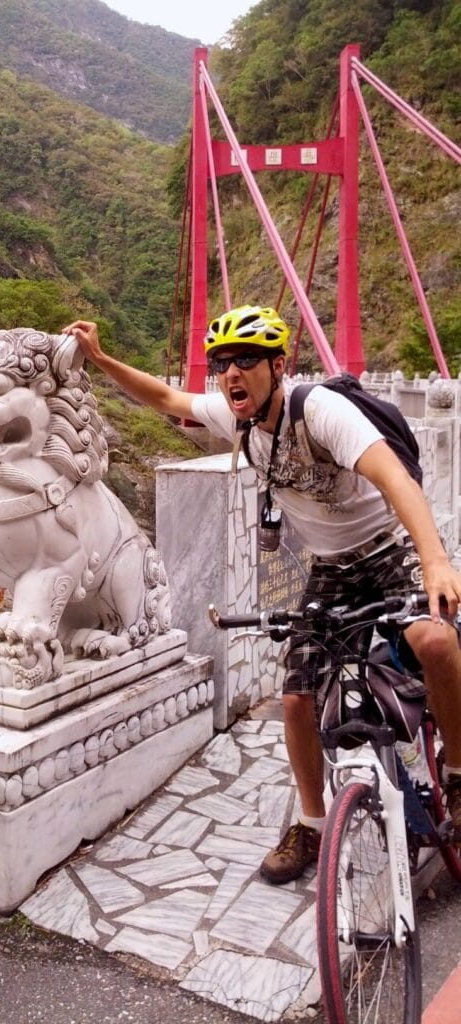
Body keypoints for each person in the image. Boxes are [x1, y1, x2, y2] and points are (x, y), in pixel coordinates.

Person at [63, 305, 461, 884]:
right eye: (221, 363)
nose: (231, 373)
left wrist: (435, 560)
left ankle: (458, 776)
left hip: (388, 544)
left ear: (277, 366)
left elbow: (394, 478)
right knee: (297, 698)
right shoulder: (239, 422)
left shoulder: (320, 411)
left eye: (246, 359)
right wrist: (100, 359)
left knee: (435, 641)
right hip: (332, 566)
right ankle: (311, 824)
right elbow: (168, 399)